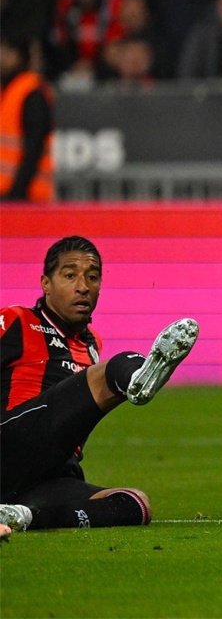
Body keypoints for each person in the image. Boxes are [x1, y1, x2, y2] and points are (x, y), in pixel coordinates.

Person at [0, 236, 199, 531]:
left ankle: (20, 517)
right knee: (111, 370)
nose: (83, 286)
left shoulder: (91, 344)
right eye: (70, 276)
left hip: (49, 474)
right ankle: (136, 377)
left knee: (133, 504)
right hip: (11, 446)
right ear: (46, 283)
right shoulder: (16, 320)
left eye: (92, 277)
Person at [0, 36, 55, 202]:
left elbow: (34, 147)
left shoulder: (32, 93)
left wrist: (17, 192)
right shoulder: (9, 90)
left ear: (16, 56)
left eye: (3, 52)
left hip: (27, 198)